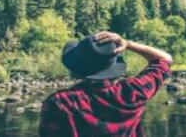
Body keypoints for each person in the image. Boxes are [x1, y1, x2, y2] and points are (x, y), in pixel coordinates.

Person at [38, 31, 173, 137]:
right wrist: (128, 44)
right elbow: (164, 59)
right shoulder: (134, 91)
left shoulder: (60, 103)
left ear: (77, 68)